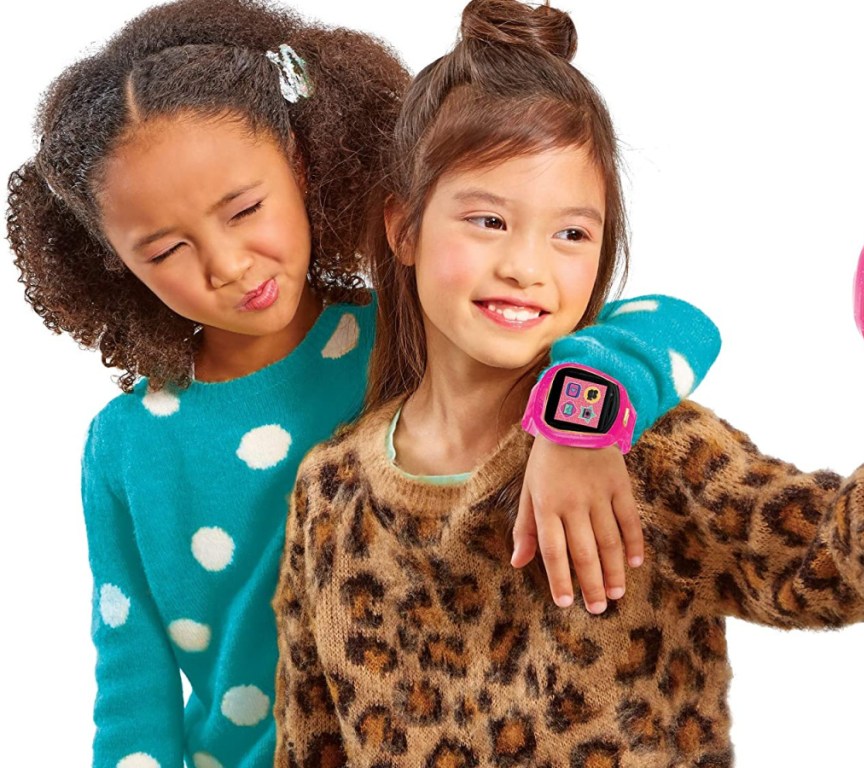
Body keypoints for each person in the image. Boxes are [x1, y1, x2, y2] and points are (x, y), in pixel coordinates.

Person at [272, 0, 864, 765]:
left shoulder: (649, 451)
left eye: (571, 233)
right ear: (403, 227)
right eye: (488, 221)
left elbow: (824, 560)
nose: (527, 266)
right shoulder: (330, 490)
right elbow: (310, 743)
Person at [5, 0, 722, 766]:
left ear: (305, 162)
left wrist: (577, 429)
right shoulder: (124, 446)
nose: (227, 263)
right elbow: (132, 688)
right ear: (111, 261)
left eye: (245, 209)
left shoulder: (416, 336)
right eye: (166, 248)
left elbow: (674, 323)